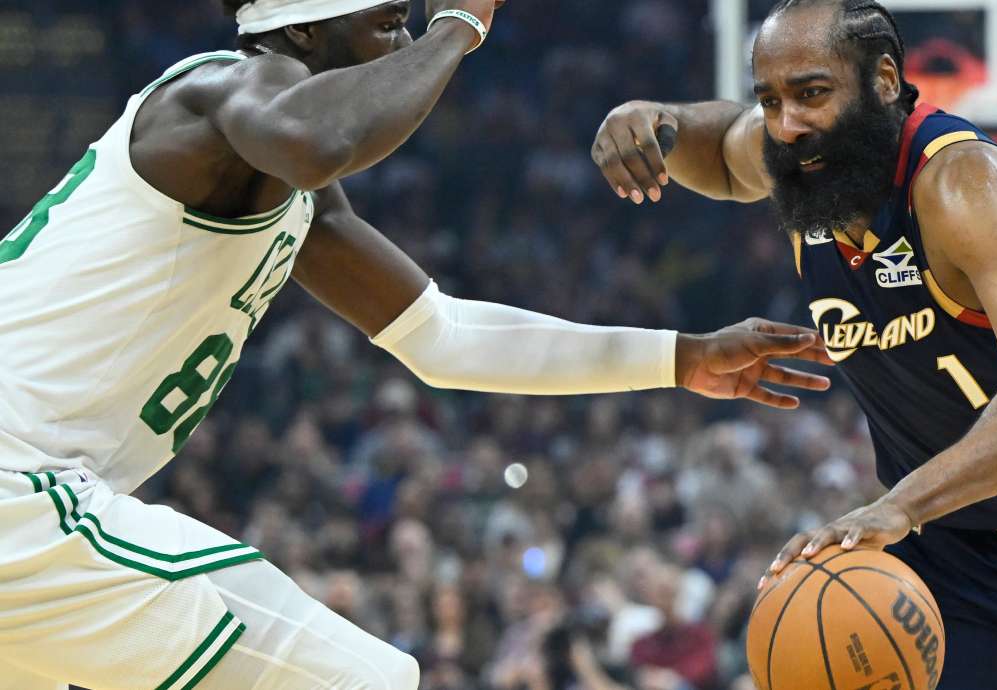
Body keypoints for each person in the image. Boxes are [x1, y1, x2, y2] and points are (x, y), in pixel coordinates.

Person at [0, 1, 836, 688]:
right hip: (19, 491)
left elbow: (444, 336)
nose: (403, 43)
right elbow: (319, 136)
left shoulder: (290, 195)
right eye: (389, 24)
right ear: (301, 33)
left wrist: (679, 356)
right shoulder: (215, 96)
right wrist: (458, 29)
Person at [591, 1, 997, 688]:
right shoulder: (796, 158)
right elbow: (719, 150)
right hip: (958, 544)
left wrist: (902, 505)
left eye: (811, 93)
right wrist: (657, 119)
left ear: (885, 80)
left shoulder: (966, 187)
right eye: (770, 101)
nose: (787, 124)